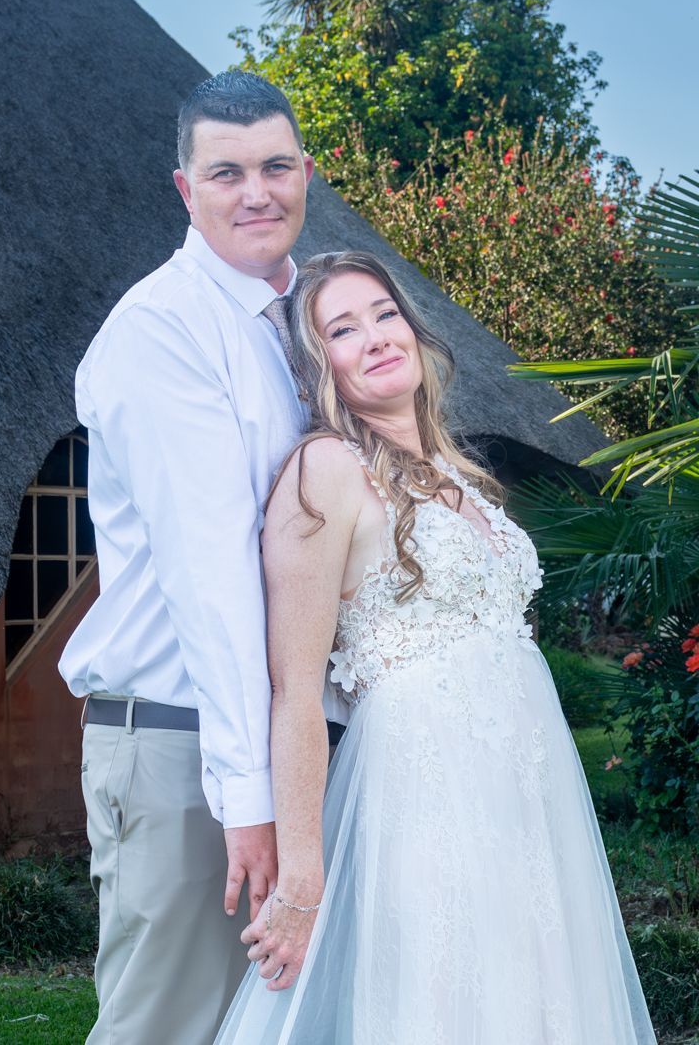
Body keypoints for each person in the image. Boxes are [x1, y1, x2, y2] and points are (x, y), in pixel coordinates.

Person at [215, 251, 657, 1044]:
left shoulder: (458, 472)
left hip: (527, 796)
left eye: (385, 314)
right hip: (423, 795)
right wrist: (304, 878)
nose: (376, 337)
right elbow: (294, 689)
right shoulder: (325, 470)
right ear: (320, 368)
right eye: (343, 330)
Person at [58, 71, 314, 1044]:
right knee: (169, 1029)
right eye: (226, 173)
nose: (257, 193)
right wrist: (251, 803)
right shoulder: (161, 331)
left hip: (292, 747)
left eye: (275, 167)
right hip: (180, 746)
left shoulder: (317, 316)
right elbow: (214, 582)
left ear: (306, 173)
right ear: (185, 188)